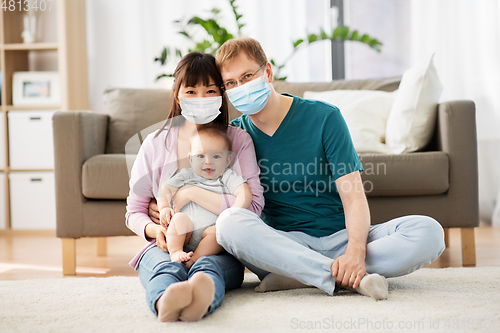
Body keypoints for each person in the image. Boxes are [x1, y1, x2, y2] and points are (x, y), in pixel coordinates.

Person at [212, 37, 445, 300]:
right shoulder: (234, 135)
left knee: (429, 232)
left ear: (267, 72)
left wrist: (355, 252)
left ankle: (300, 276)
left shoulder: (324, 117)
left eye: (246, 76)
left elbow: (353, 195)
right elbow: (207, 184)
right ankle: (343, 277)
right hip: (284, 244)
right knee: (229, 224)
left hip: (341, 237)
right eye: (231, 83)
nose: (240, 87)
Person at [126, 52, 264, 322]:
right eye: (191, 91)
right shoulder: (155, 144)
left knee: (207, 268)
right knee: (165, 270)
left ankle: (200, 300)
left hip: (218, 246)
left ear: (221, 95)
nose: (201, 99)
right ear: (177, 95)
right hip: (165, 245)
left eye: (210, 90)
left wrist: (192, 194)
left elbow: (254, 207)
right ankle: (165, 301)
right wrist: (157, 230)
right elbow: (134, 211)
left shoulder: (238, 140)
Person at [157, 126, 252, 267]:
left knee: (218, 232)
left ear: (227, 160)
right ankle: (175, 252)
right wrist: (164, 207)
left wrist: (233, 214)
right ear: (190, 159)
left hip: (210, 233)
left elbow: (245, 194)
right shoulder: (187, 174)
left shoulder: (227, 176)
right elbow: (165, 189)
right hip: (186, 231)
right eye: (200, 156)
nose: (208, 161)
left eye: (216, 156)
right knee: (179, 219)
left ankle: (195, 259)